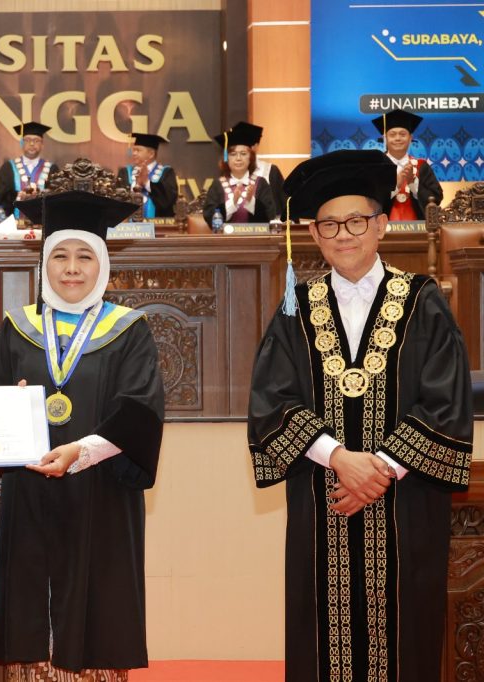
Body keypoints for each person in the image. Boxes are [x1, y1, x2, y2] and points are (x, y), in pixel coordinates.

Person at [248, 149, 473, 681]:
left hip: (407, 504)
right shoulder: (295, 309)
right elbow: (270, 402)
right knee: (320, 639)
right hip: (320, 501)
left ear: (380, 227)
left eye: (356, 221)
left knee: (408, 638)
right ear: (315, 233)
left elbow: (446, 400)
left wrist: (381, 470)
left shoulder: (424, 301)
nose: (343, 234)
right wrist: (337, 458)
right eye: (329, 224)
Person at [0, 189, 164, 681]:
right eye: (59, 256)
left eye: (84, 256)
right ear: (43, 264)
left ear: (101, 265)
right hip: (30, 493)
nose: (71, 268)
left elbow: (140, 409)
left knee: (97, 609)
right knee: (31, 611)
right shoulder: (19, 328)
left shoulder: (129, 329)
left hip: (101, 494)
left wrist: (82, 450)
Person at [371, 108, 443, 220]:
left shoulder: (421, 166)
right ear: (385, 138)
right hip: (382, 231)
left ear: (410, 138)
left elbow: (436, 198)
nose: (398, 138)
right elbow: (368, 200)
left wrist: (413, 183)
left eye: (403, 134)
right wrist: (396, 186)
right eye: (392, 134)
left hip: (419, 231)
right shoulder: (377, 166)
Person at [203, 127, 278, 227]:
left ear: (250, 158)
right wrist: (232, 203)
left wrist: (251, 201)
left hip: (255, 240)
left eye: (243, 154)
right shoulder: (217, 185)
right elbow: (209, 217)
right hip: (225, 241)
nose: (238, 158)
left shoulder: (261, 183)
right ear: (227, 158)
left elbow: (270, 216)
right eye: (233, 154)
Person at [0, 121, 54, 219]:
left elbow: (56, 197)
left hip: (44, 225)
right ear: (21, 143)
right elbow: (0, 198)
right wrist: (18, 196)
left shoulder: (52, 169)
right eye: (27, 140)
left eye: (36, 140)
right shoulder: (8, 168)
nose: (32, 144)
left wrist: (39, 196)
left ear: (42, 144)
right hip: (14, 224)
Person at [115, 132, 177, 218]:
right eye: (133, 150)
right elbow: (118, 203)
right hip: (128, 229)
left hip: (158, 227)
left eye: (138, 150)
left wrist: (147, 183)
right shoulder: (125, 172)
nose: (134, 153)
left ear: (151, 154)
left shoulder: (166, 172)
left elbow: (168, 201)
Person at [230, 120, 284, 216]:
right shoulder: (228, 174)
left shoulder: (269, 171)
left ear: (255, 146)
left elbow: (283, 206)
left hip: (267, 227)